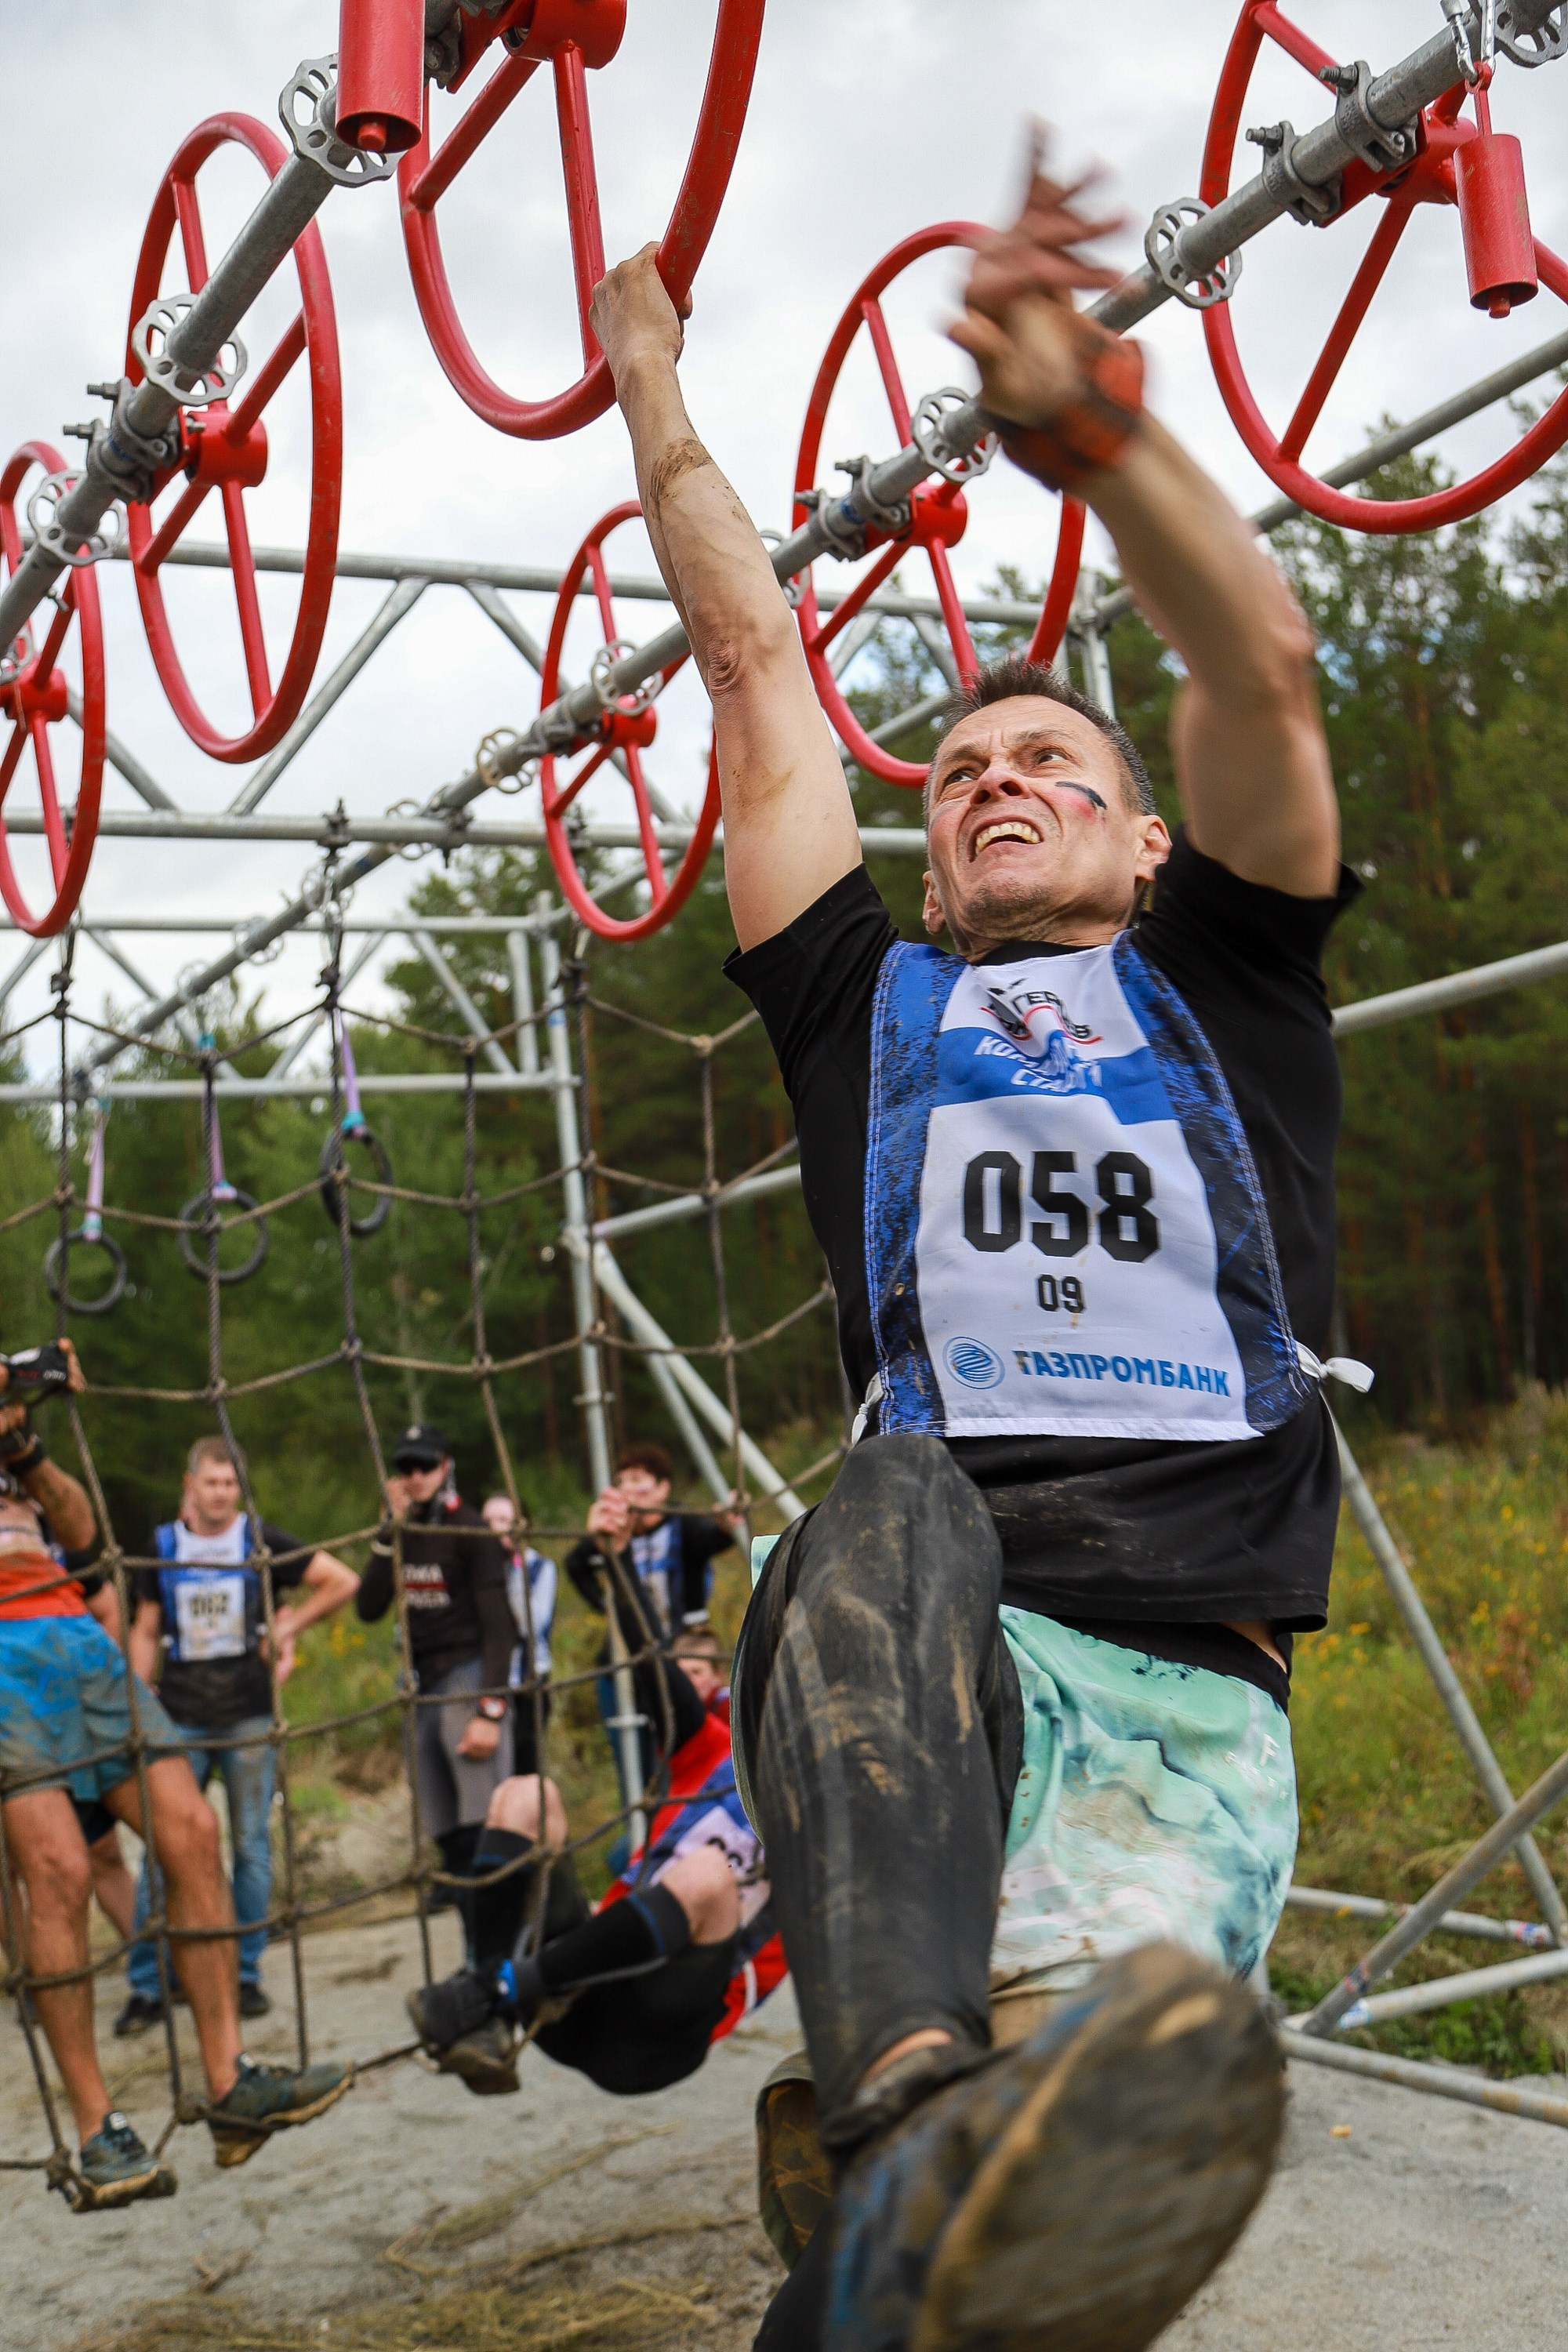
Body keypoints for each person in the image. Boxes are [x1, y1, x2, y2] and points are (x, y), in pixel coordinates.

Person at [588, 142, 1350, 2349]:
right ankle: (902, 2090)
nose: (995, 778)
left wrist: (1096, 433)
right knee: (885, 1500)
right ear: (926, 865)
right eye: (956, 774)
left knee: (971, 2276)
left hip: (1183, 1696)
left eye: (1049, 761)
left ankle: (891, 2176)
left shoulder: (1232, 976)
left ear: (1146, 838)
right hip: (929, 1674)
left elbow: (1263, 668)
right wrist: (647, 380)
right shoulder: (867, 1004)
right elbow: (751, 665)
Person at [0, 1352, 349, 2209]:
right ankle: (98, 2131)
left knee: (194, 1832)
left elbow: (82, 1535)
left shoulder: (14, 1453)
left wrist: (23, 1443)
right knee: (61, 1872)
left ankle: (231, 2084)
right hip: (2, 1656)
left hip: (77, 1638)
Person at [405, 1637, 786, 2099]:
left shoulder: (834, 1834)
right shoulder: (718, 1752)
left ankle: (494, 1989)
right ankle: (491, 2019)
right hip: (579, 1988)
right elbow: (648, 1661)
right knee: (526, 1795)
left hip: (654, 2039)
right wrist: (619, 1588)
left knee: (709, 1873)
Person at [117, 1436, 358, 2032]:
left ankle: (244, 1973)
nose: (222, 1493)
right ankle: (150, 1983)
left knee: (250, 1844)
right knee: (164, 1847)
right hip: (180, 1716)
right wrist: (136, 1703)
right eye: (212, 1482)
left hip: (249, 1713)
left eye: (230, 1483)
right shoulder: (162, 1547)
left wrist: (289, 1627)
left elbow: (340, 1580)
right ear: (190, 1485)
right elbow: (145, 1628)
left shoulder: (260, 1541)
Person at [355, 1424, 515, 1958]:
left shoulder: (470, 1529)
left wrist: (491, 1710)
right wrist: (387, 1530)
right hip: (423, 1685)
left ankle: (497, 1960)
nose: (416, 1477)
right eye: (406, 1468)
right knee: (448, 1836)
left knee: (482, 1831)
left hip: (468, 1677)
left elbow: (501, 1625)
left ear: (445, 1466)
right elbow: (368, 1607)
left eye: (425, 1466)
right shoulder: (403, 1532)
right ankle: (477, 1958)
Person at [566, 1441, 739, 1803]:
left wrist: (725, 1525)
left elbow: (713, 1538)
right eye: (622, 1481)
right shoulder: (611, 1534)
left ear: (663, 1488)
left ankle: (682, 1814)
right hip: (624, 1662)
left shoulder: (682, 1527)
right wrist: (605, 1605)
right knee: (634, 1763)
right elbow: (575, 1564)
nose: (629, 1488)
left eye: (639, 1480)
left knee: (680, 1752)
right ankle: (642, 1821)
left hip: (677, 1661)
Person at [481, 1493, 557, 1780]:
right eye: (487, 1521)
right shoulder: (473, 1570)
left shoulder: (540, 1568)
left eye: (503, 1520)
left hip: (527, 1682)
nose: (494, 1529)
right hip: (487, 1682)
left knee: (525, 1768)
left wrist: (511, 1574)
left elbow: (531, 1624)